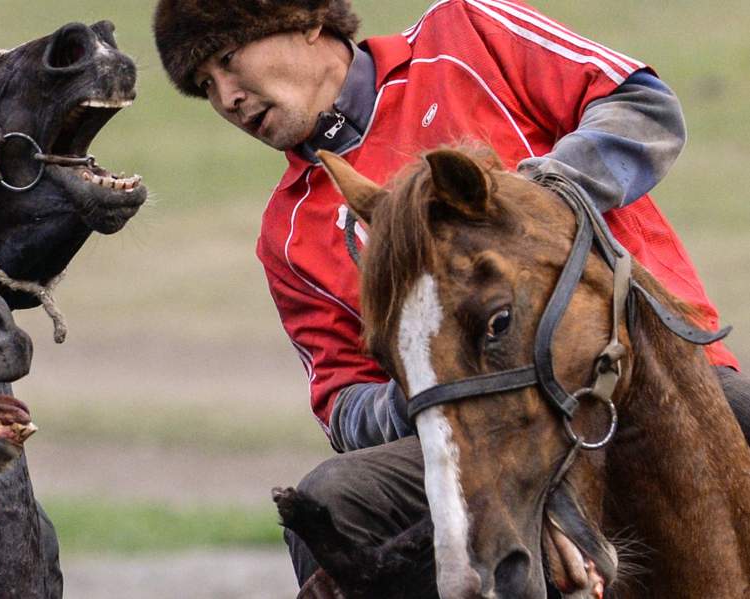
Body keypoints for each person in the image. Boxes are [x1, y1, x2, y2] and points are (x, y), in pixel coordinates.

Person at [152, 0, 750, 594]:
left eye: (230, 60)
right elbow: (343, 405)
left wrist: (535, 199)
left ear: (309, 21)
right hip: (480, 441)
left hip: (642, 383)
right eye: (206, 84)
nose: (227, 97)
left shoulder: (465, 34)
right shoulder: (287, 236)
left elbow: (645, 109)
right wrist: (430, 371)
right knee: (331, 505)